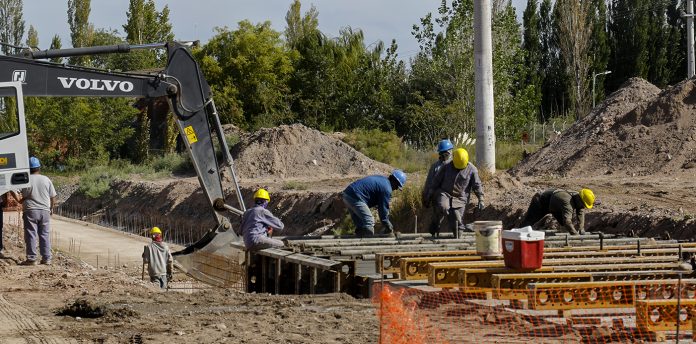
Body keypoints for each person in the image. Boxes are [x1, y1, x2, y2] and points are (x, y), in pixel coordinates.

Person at [429, 148, 484, 238]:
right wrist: (431, 191)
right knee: (442, 207)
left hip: (460, 197)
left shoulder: (472, 169)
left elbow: (477, 185)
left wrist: (481, 198)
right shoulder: (446, 166)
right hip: (445, 193)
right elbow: (437, 180)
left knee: (457, 220)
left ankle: (457, 237)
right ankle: (434, 227)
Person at [12, 157, 57, 266]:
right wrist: (51, 208)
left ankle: (32, 259)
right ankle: (46, 259)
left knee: (31, 234)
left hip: (30, 211)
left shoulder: (24, 179)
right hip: (45, 211)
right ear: (39, 168)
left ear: (28, 168)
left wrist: (19, 200)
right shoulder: (46, 179)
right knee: (44, 234)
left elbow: (13, 189)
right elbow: (53, 197)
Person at [342, 170, 407, 237]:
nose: (396, 189)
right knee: (369, 222)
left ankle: (359, 240)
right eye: (397, 186)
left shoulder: (382, 180)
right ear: (394, 182)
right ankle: (368, 244)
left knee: (361, 226)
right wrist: (387, 224)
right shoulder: (387, 188)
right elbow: (383, 209)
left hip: (347, 194)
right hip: (356, 196)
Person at [521, 188, 596, 235]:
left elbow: (581, 211)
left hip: (555, 206)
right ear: (580, 199)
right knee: (528, 222)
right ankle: (516, 236)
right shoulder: (568, 202)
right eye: (583, 204)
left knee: (565, 227)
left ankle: (564, 242)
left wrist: (581, 229)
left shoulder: (578, 198)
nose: (583, 207)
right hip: (540, 201)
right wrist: (575, 235)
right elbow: (567, 221)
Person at [422, 139, 454, 208]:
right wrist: (426, 197)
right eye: (445, 152)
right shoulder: (435, 167)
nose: (448, 153)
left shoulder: (456, 164)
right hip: (439, 195)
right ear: (441, 153)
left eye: (449, 150)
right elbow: (429, 183)